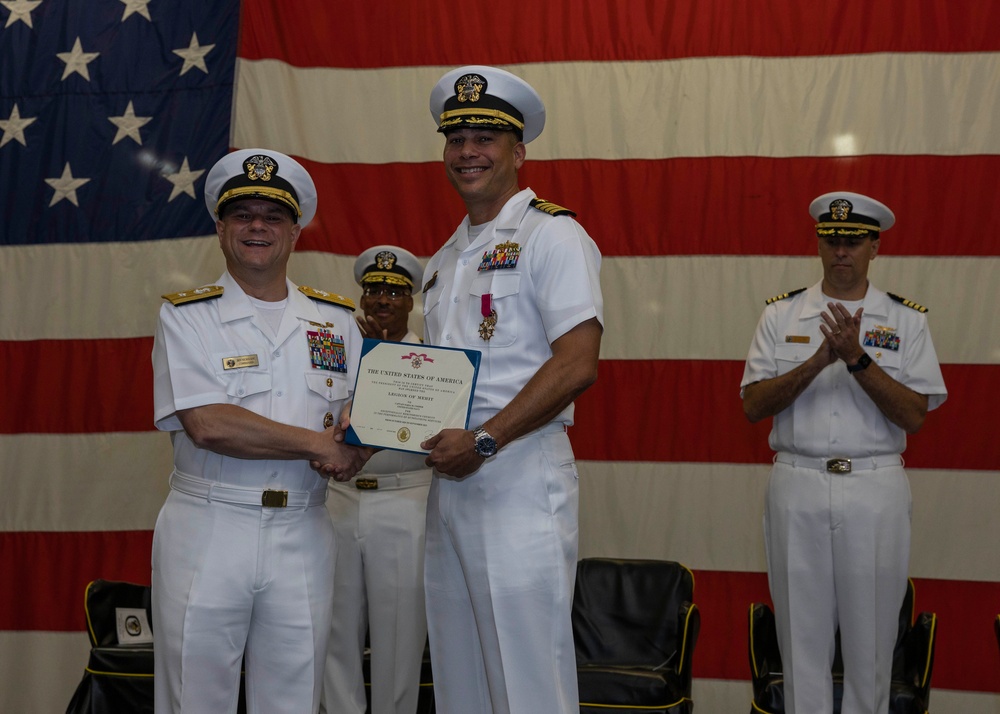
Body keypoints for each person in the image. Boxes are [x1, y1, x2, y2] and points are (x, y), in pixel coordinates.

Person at [151, 148, 371, 714]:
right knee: (194, 698)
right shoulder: (186, 315)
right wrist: (321, 444)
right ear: (221, 228)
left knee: (296, 699)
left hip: (304, 528)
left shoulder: (337, 321)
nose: (257, 227)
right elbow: (208, 424)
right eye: (242, 214)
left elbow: (358, 420)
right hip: (209, 525)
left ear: (295, 230)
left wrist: (362, 439)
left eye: (271, 216)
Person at [419, 65, 604, 714]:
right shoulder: (441, 261)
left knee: (528, 686)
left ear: (518, 152)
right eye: (456, 136)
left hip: (517, 473)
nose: (468, 151)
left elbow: (578, 361)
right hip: (450, 480)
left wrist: (487, 438)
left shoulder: (552, 235)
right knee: (461, 679)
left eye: (486, 137)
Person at [740, 192, 947, 714]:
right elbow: (752, 405)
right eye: (830, 240)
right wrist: (816, 362)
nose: (840, 252)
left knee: (871, 643)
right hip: (797, 482)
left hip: (873, 487)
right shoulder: (782, 313)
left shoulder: (906, 321)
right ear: (818, 243)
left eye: (852, 241)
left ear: (875, 245)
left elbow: (915, 415)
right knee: (800, 643)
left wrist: (857, 359)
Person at [321, 245, 432, 714]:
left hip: (404, 501)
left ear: (410, 301)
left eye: (394, 291)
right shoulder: (333, 353)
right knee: (333, 629)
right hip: (337, 500)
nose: (382, 298)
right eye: (373, 290)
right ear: (361, 298)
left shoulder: (436, 360)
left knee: (400, 635)